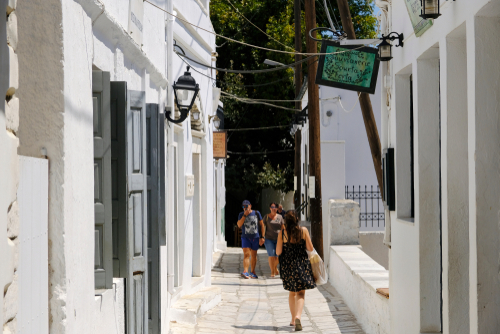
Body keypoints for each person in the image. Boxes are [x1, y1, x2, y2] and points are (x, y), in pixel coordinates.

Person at [277, 211, 316, 332]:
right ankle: (298, 316)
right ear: (297, 219)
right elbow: (310, 248)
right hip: (301, 265)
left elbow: (278, 252)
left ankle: (293, 319)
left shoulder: (282, 233)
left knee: (292, 292)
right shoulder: (303, 230)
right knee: (300, 293)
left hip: (288, 266)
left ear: (285, 221)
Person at [237, 200, 264, 279]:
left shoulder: (256, 213)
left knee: (254, 255)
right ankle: (245, 271)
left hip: (255, 237)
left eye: (246, 206)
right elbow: (239, 225)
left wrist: (262, 237)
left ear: (250, 206)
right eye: (243, 206)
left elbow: (262, 225)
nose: (245, 208)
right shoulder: (241, 214)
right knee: (246, 254)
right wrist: (244, 215)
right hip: (245, 237)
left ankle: (252, 271)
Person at [262, 202, 284, 278]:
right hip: (269, 239)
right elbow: (262, 226)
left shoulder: (280, 217)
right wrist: (262, 237)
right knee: (271, 255)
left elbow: (283, 227)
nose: (273, 208)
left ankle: (274, 268)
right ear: (270, 208)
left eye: (275, 207)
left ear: (277, 209)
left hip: (279, 239)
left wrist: (284, 237)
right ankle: (272, 271)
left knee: (277, 256)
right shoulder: (266, 217)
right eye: (272, 207)